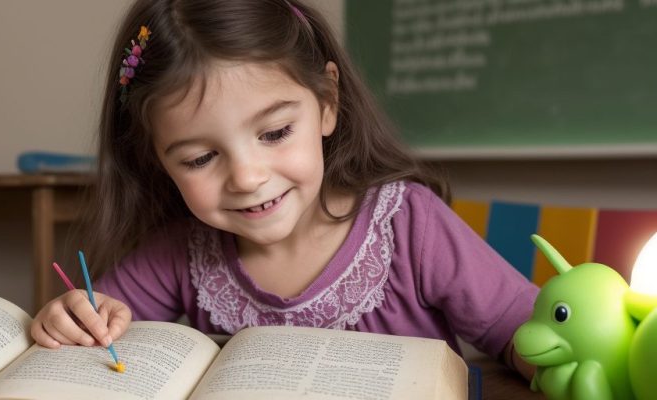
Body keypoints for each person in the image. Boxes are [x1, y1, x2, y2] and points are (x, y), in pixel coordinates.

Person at [32, 0, 537, 378]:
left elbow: (525, 332)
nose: (247, 178)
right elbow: (100, 325)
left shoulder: (409, 224)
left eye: (274, 133)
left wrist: (558, 356)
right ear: (158, 161)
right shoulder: (179, 253)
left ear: (327, 102)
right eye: (200, 158)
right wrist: (75, 320)